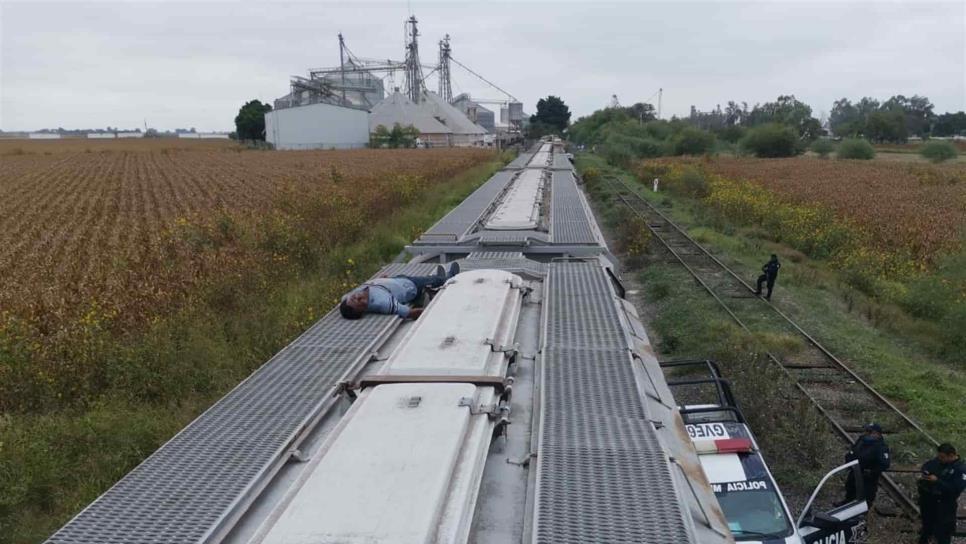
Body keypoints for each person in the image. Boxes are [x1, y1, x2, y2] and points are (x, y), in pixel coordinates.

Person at [339, 263, 459, 320]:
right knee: (428, 280)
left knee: (428, 279)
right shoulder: (383, 303)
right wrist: (434, 312)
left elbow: (345, 300)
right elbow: (409, 313)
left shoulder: (349, 297)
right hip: (410, 287)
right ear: (363, 308)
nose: (355, 296)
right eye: (358, 301)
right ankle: (449, 277)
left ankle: (434, 282)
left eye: (352, 298)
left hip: (395, 280)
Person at [918, 443, 966, 544]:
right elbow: (926, 466)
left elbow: (955, 488)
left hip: (945, 506)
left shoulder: (960, 469)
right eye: (939, 456)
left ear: (951, 455)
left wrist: (937, 481)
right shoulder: (939, 461)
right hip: (931, 502)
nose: (940, 459)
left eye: (942, 457)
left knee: (943, 534)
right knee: (927, 529)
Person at [840, 423, 891, 508]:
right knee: (850, 489)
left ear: (877, 434)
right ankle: (846, 504)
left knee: (865, 497)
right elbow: (853, 451)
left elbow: (885, 464)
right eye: (866, 431)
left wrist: (872, 472)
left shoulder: (881, 447)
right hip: (855, 471)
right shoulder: (862, 440)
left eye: (869, 431)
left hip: (867, 477)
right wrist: (849, 461)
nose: (866, 433)